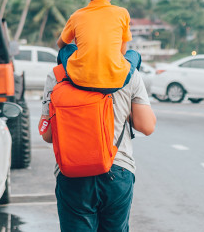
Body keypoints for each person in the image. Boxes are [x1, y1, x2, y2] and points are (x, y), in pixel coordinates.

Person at [40, 67, 156, 231]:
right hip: (117, 170)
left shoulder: (58, 74)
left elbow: (47, 135)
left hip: (72, 171)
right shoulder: (127, 71)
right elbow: (146, 127)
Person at [56, 0, 141, 93]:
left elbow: (61, 44)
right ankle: (132, 92)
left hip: (79, 82)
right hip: (116, 82)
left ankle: (62, 83)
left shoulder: (77, 16)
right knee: (134, 55)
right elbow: (122, 53)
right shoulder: (122, 13)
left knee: (67, 49)